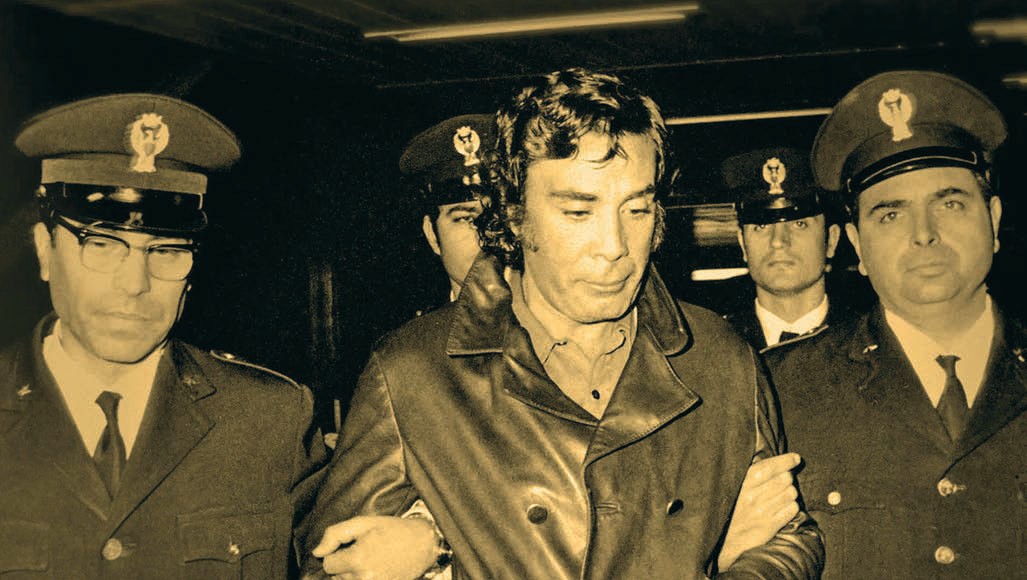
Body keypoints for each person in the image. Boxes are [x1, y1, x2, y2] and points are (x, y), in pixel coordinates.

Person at [299, 68, 823, 579]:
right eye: (578, 212)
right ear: (515, 216)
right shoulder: (413, 373)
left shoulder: (718, 355)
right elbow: (331, 564)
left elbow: (789, 539)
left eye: (636, 210)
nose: (614, 247)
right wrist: (442, 558)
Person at [0, 93, 423, 579]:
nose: (135, 284)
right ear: (45, 252)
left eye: (166, 251)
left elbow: (344, 562)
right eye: (102, 245)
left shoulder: (268, 419)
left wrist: (426, 541)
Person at [764, 70, 1025, 578]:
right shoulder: (780, 391)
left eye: (950, 203)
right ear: (856, 246)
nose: (924, 234)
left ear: (993, 220)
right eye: (891, 214)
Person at [722, 147, 845, 349]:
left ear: (831, 240)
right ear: (743, 244)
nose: (778, 241)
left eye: (799, 224)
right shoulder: (715, 347)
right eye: (761, 226)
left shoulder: (871, 341)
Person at [401, 114, 492, 302]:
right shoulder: (423, 324)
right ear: (432, 235)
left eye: (497, 214)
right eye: (465, 219)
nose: (486, 235)